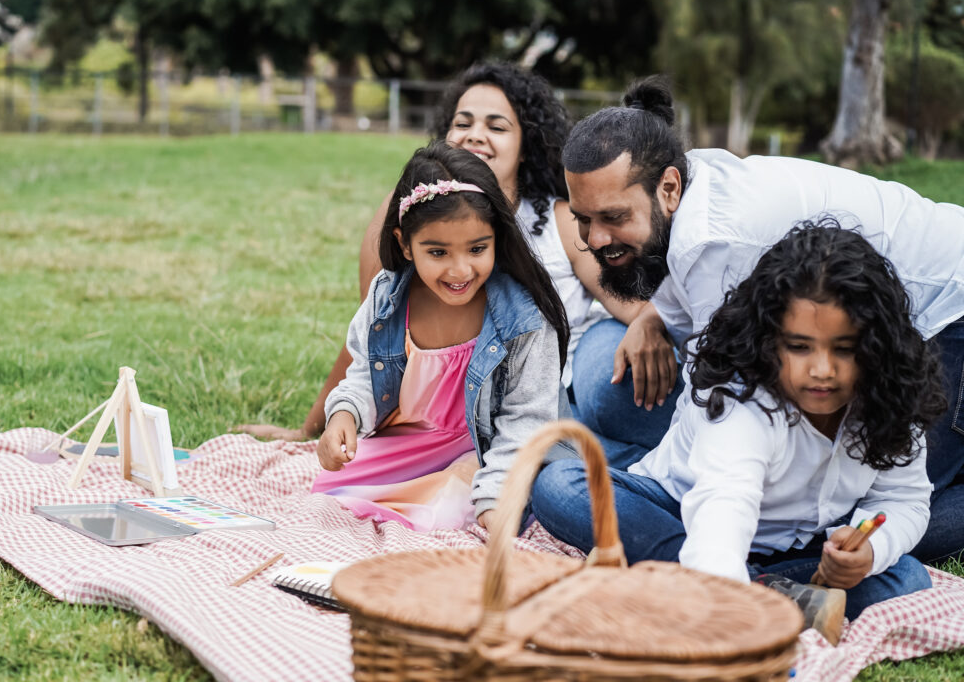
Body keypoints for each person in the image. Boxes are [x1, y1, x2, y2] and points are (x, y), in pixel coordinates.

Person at [546, 74, 964, 562]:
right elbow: (719, 412)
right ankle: (753, 566)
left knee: (891, 514)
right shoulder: (682, 194)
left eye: (614, 217)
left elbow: (719, 403)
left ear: (668, 189)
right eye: (583, 219)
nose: (595, 239)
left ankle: (767, 569)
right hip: (735, 475)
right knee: (587, 452)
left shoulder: (716, 244)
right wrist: (653, 317)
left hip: (946, 311)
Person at [533, 223, 945, 643]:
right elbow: (722, 509)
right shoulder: (743, 402)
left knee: (905, 578)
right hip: (678, 514)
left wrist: (869, 550)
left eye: (843, 348)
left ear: (876, 346)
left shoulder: (890, 400)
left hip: (794, 548)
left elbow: (903, 499)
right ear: (770, 342)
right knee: (562, 485)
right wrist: (728, 612)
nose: (822, 369)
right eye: (800, 347)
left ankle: (734, 587)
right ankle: (751, 594)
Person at [237, 62, 678, 453]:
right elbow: (376, 331)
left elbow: (631, 304)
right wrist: (313, 427)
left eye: (497, 126)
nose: (475, 134)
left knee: (607, 391)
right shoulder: (416, 213)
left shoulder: (559, 219)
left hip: (563, 382)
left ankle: (603, 459)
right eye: (462, 122)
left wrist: (649, 320)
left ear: (526, 143)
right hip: (470, 409)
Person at [311, 142, 574, 532]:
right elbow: (365, 374)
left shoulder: (525, 318)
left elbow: (526, 421)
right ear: (405, 243)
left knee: (448, 517)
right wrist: (344, 415)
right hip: (408, 448)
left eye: (477, 248)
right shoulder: (387, 298)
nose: (460, 270)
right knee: (330, 503)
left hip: (487, 451)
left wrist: (496, 495)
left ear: (497, 238)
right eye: (437, 252)